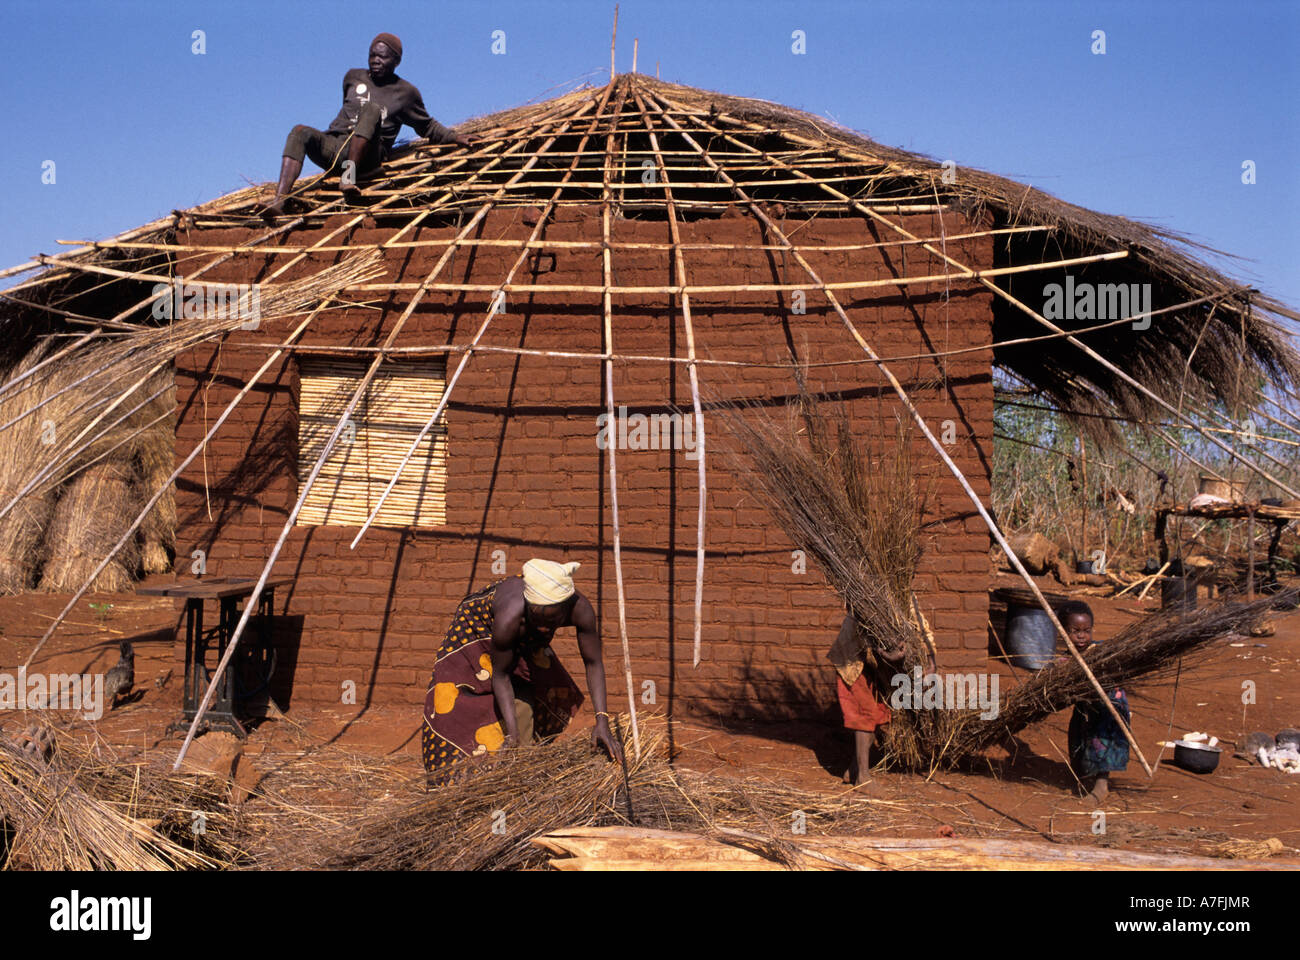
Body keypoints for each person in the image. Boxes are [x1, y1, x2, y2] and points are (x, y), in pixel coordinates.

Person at [421, 559, 622, 785]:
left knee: (529, 684)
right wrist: (512, 734)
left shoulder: (580, 609)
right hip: (476, 629)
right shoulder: (511, 618)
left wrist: (602, 721)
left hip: (521, 631)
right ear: (529, 608)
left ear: (565, 609)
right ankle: (456, 781)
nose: (545, 629)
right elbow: (501, 675)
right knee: (457, 700)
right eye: (539, 619)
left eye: (552, 621)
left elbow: (593, 662)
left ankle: (521, 763)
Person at [261, 32, 473, 220]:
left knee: (371, 109)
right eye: (372, 55)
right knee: (300, 131)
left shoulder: (406, 93)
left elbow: (427, 126)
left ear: (396, 61)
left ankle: (349, 177)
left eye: (382, 57)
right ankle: (280, 200)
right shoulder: (353, 77)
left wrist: (455, 137)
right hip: (337, 148)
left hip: (369, 156)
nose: (375, 61)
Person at [828, 613, 934, 785]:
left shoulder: (906, 596)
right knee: (865, 715)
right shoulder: (861, 602)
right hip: (854, 662)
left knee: (878, 715)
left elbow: (922, 627)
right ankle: (863, 778)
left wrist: (931, 659)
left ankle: (853, 770)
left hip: (877, 668)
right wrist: (884, 652)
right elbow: (866, 635)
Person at [1059, 600, 1129, 803]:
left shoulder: (1100, 652)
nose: (1081, 636)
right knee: (1077, 736)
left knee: (1101, 741)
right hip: (1086, 707)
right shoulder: (1066, 661)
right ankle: (1083, 775)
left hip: (1109, 707)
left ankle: (1101, 786)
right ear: (1062, 631)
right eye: (1074, 631)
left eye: (1086, 630)